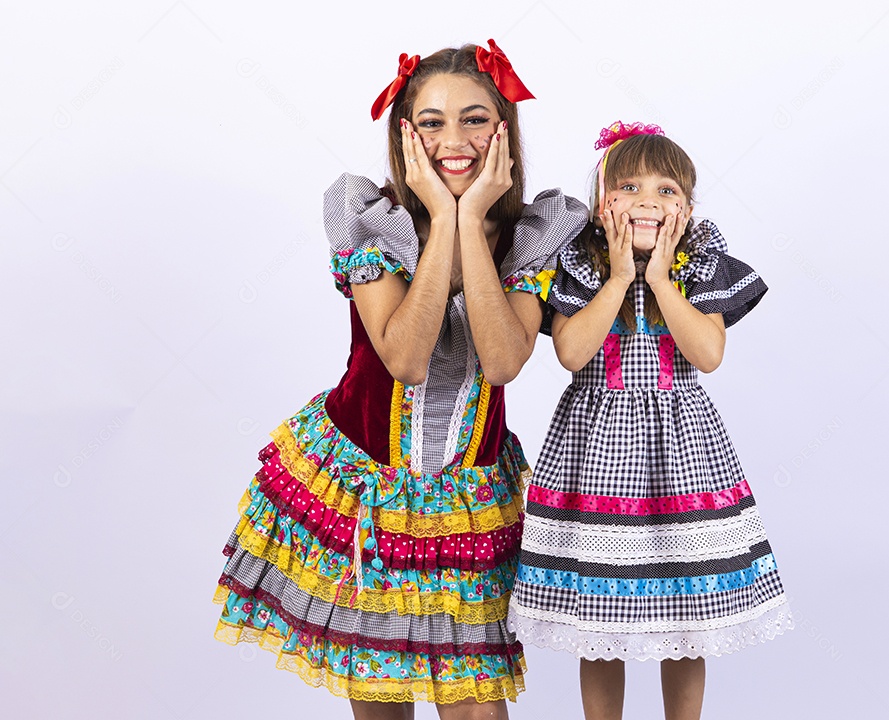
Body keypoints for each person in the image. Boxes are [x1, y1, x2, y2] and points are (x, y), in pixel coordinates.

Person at [212, 41, 588, 719]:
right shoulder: (371, 220)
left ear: (504, 127)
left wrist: (470, 220)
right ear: (405, 133)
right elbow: (406, 359)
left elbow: (503, 362)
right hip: (366, 486)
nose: (455, 140)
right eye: (433, 121)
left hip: (469, 496)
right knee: (381, 697)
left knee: (476, 704)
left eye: (475, 119)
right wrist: (441, 220)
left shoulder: (538, 231)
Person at [507, 122, 793, 720]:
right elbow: (570, 354)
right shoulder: (580, 264)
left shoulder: (695, 266)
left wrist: (660, 279)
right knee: (601, 607)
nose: (647, 201)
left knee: (687, 604)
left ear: (687, 209)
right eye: (629, 186)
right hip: (595, 450)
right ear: (601, 201)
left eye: (666, 190)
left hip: (680, 449)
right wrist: (618, 278)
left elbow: (708, 355)